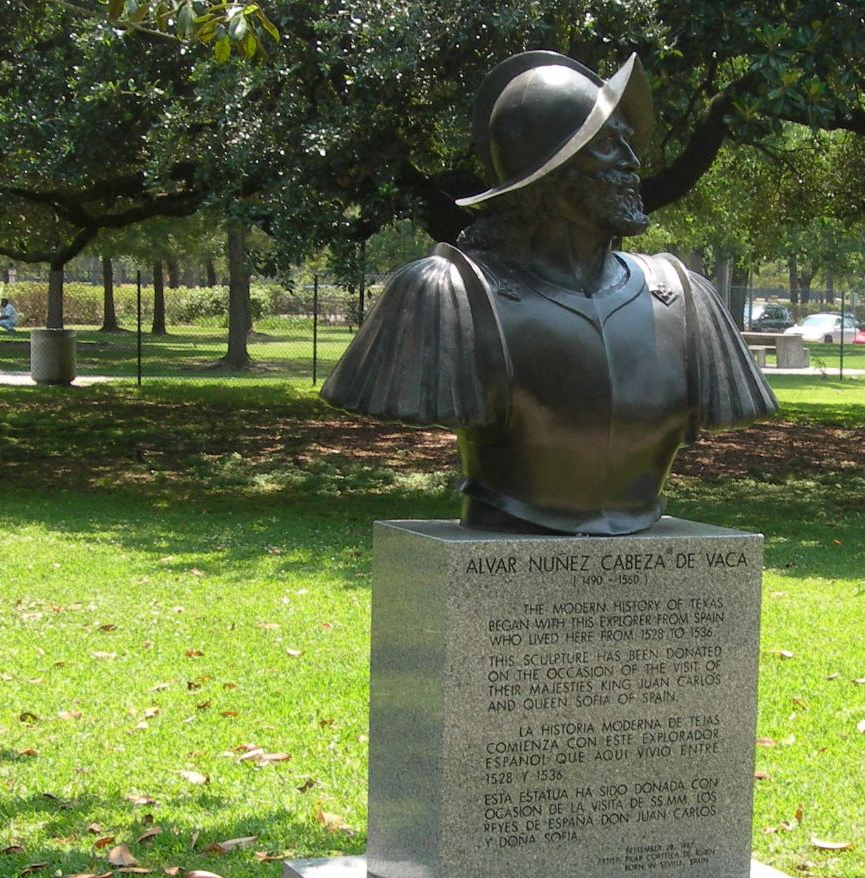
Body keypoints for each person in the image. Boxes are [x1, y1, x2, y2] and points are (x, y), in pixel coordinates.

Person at [319, 52, 775, 536]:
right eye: (607, 146)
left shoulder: (687, 299)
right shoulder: (447, 296)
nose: (633, 163)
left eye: (628, 142)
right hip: (505, 523)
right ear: (547, 173)